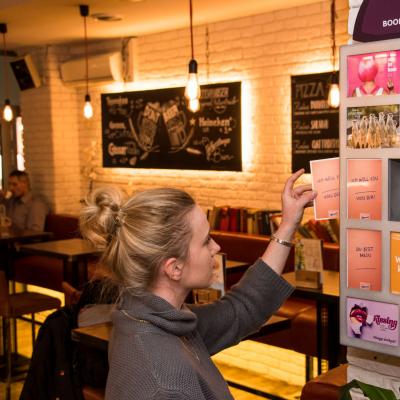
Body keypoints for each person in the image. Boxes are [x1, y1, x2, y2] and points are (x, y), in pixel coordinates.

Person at [79, 169, 316, 400]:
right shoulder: (164, 385)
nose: (216, 247)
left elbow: (241, 309)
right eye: (206, 241)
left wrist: (287, 225)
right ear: (174, 268)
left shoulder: (149, 316)